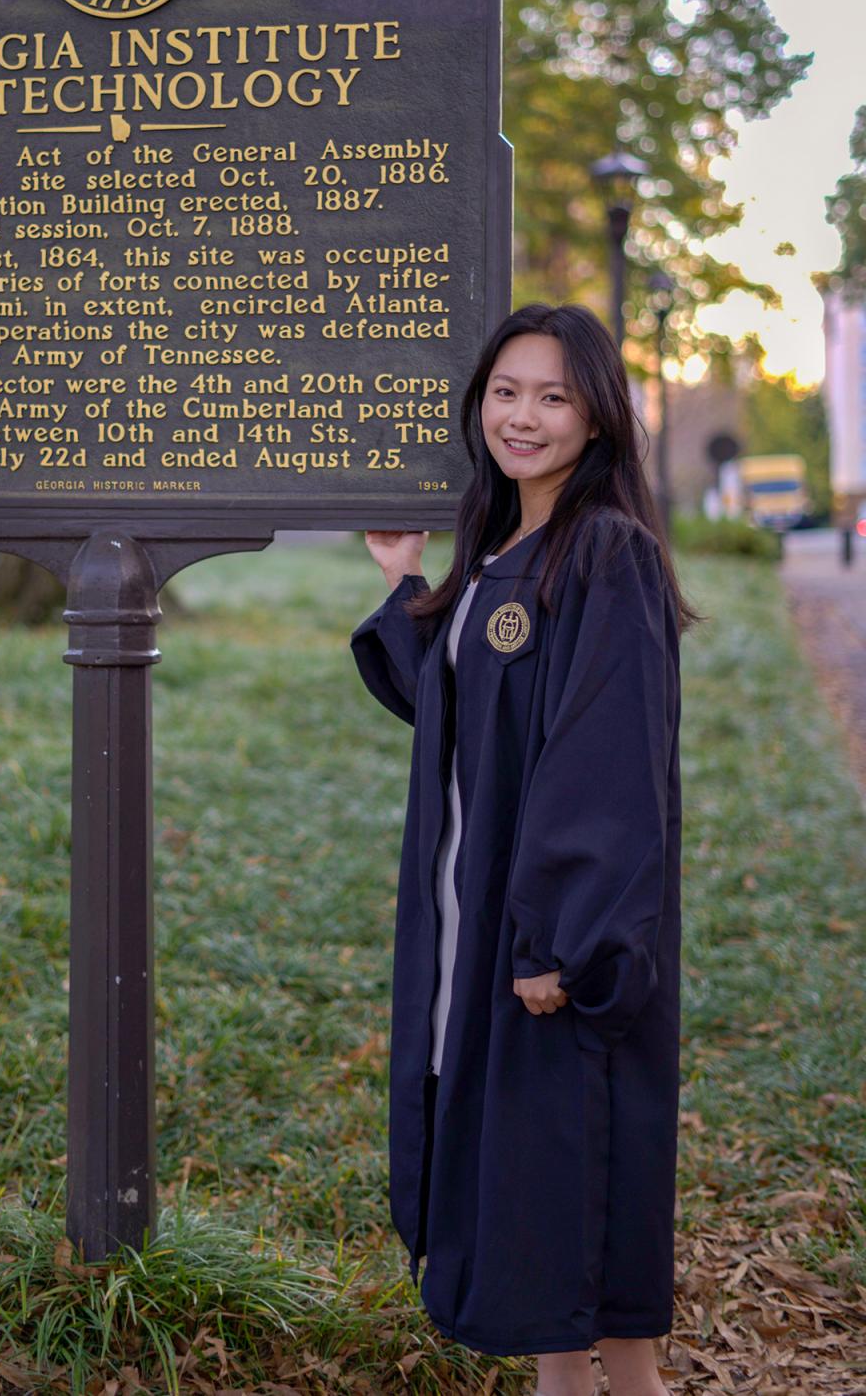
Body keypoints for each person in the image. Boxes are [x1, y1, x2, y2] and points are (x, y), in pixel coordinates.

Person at [350, 303, 702, 1396]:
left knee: (581, 1158)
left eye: (554, 396)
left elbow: (605, 758)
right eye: (506, 391)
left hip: (556, 938)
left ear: (597, 419)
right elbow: (472, 722)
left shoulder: (605, 552)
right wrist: (406, 590)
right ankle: (572, 1381)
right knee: (544, 1185)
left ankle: (626, 1384)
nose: (524, 415)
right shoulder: (501, 546)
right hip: (482, 912)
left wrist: (562, 937)